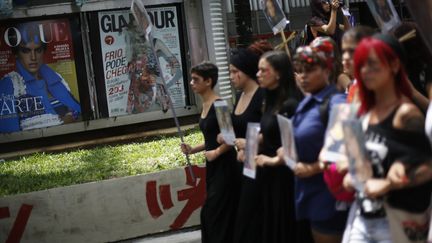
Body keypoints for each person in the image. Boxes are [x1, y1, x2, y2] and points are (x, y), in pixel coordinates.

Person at [342, 34, 432, 243]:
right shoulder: (363, 113)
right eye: (362, 65)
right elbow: (357, 165)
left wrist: (390, 184)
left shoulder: (406, 115)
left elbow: (428, 167)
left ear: (394, 65)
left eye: (373, 64)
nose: (365, 71)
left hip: (396, 223)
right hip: (362, 218)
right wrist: (352, 174)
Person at [290, 41, 348, 243]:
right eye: (299, 70)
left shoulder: (337, 103)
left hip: (330, 201)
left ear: (326, 70)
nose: (303, 76)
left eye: (310, 70)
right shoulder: (307, 101)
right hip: (309, 196)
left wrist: (314, 168)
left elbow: (346, 151)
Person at [217, 41, 270, 243]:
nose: (231, 77)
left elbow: (269, 132)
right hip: (239, 168)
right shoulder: (239, 95)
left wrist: (247, 144)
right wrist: (226, 136)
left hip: (258, 168)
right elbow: (237, 130)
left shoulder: (262, 96)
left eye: (234, 72)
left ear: (247, 71)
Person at [180, 62, 238, 243]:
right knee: (211, 215)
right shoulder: (205, 104)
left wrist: (217, 153)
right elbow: (211, 139)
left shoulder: (219, 104)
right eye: (192, 79)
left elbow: (230, 138)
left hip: (226, 167)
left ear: (208, 81)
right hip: (213, 167)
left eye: (195, 79)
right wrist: (193, 149)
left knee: (213, 213)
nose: (191, 83)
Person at [253, 50, 303, 243]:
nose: (258, 74)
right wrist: (250, 145)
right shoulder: (269, 101)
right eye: (258, 70)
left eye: (263, 70)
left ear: (279, 73)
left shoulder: (290, 104)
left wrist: (271, 161)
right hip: (268, 177)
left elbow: (291, 150)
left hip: (285, 180)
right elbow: (268, 135)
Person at [0, 25, 81, 132]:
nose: (33, 57)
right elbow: (9, 133)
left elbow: (77, 109)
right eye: (26, 51)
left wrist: (71, 115)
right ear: (16, 53)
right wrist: (64, 121)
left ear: (43, 51)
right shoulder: (10, 84)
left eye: (38, 50)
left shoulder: (55, 78)